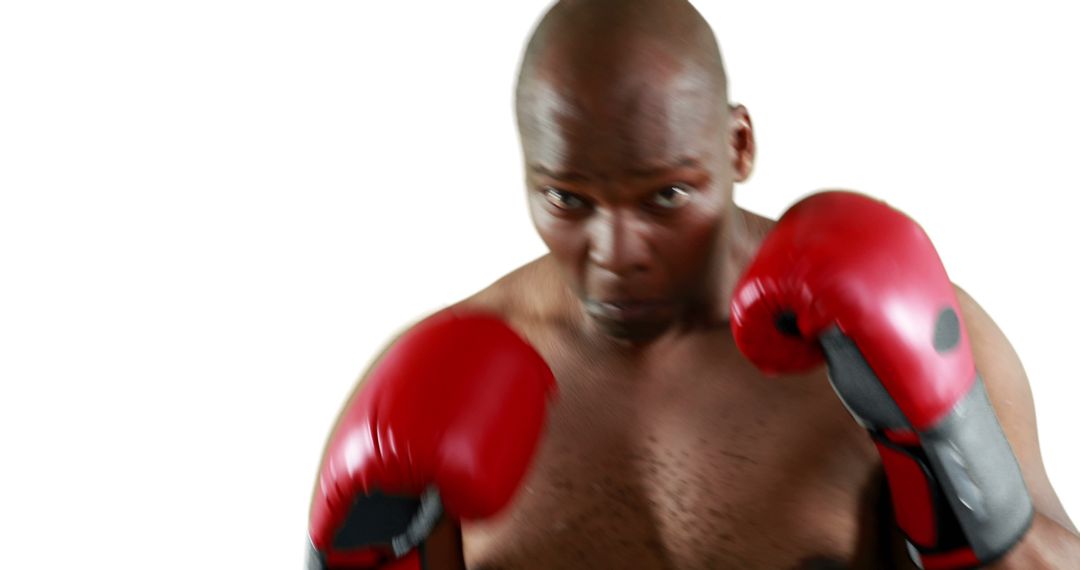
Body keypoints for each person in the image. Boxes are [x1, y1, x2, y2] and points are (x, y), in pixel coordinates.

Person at [308, 0, 1080, 568]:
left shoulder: (899, 324)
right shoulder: (437, 378)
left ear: (738, 145)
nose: (617, 252)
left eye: (666, 196)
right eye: (568, 200)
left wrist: (948, 433)